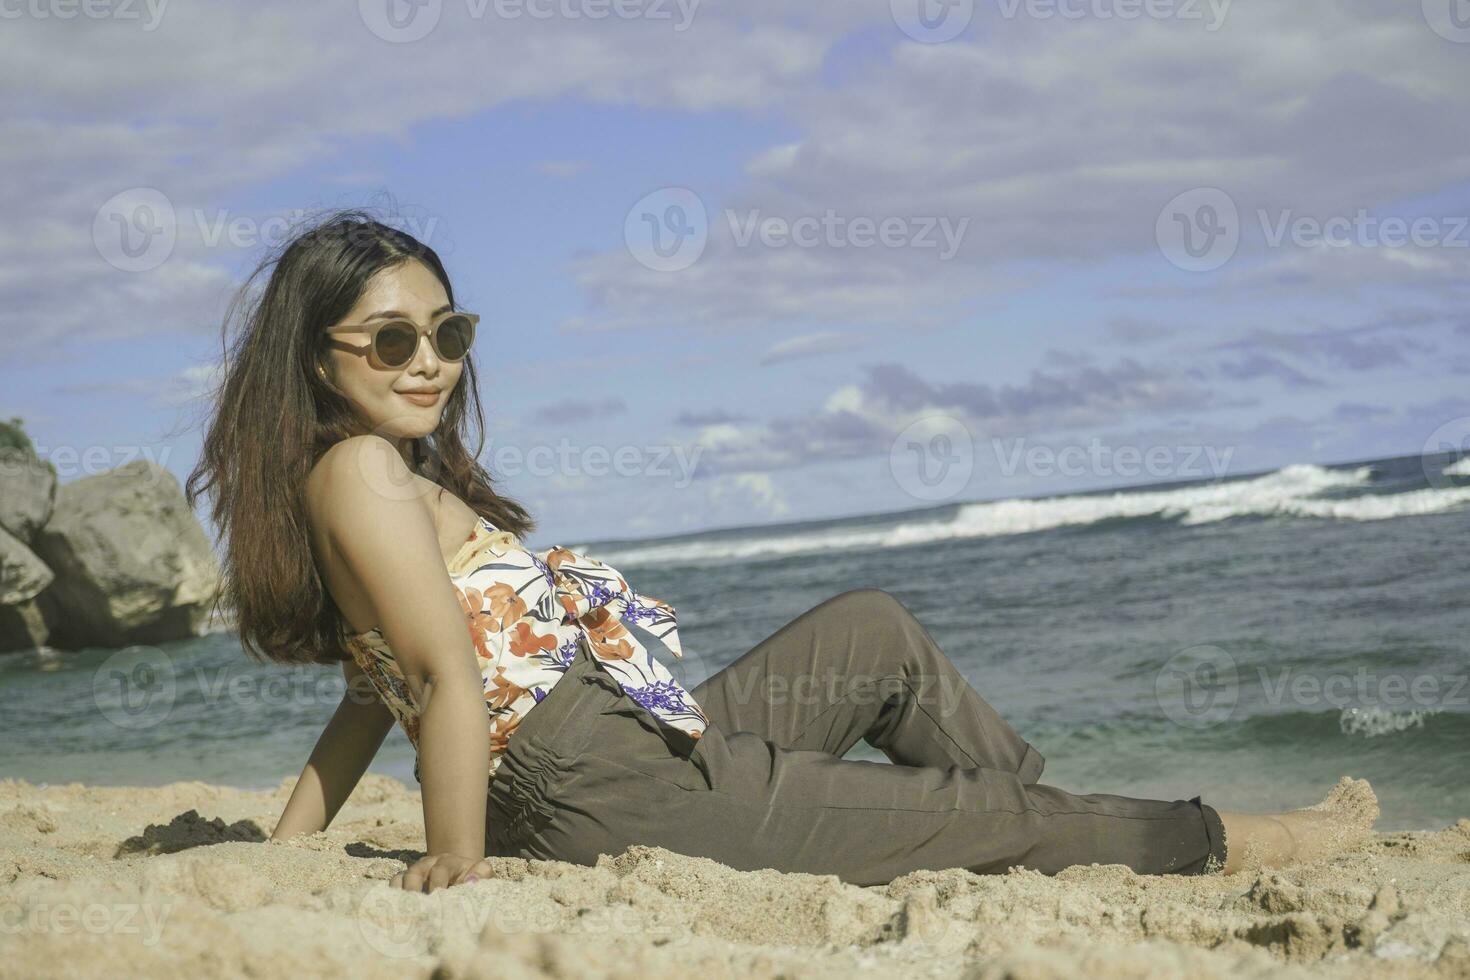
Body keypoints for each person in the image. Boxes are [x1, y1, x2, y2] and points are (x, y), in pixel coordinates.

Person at [185, 210, 1378, 895]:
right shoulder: (364, 472)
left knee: (872, 630)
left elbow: (366, 693)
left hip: (621, 741)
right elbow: (438, 680)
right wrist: (455, 858)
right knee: (969, 819)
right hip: (596, 784)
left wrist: (284, 850)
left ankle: (1033, 814)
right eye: (390, 335)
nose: (429, 358)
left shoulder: (366, 480)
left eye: (448, 329)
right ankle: (1221, 836)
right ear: (317, 354)